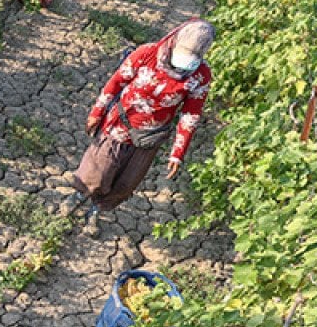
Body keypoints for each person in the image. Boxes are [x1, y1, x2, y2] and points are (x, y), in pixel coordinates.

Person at [62, 19, 215, 235]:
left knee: (125, 183)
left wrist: (177, 153)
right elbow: (115, 83)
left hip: (149, 137)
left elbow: (190, 114)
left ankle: (96, 211)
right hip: (119, 127)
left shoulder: (200, 75)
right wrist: (97, 112)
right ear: (175, 41)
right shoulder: (147, 54)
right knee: (97, 170)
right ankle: (77, 197)